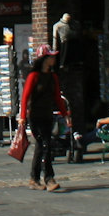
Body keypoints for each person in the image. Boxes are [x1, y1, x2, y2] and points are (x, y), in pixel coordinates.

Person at [19, 46, 69, 191]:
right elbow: (25, 97)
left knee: (42, 146)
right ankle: (49, 178)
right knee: (45, 144)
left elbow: (57, 98)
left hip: (48, 115)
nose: (53, 59)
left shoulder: (53, 77)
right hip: (35, 116)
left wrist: (65, 114)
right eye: (51, 56)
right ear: (44, 59)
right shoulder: (33, 76)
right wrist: (22, 117)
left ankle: (34, 178)